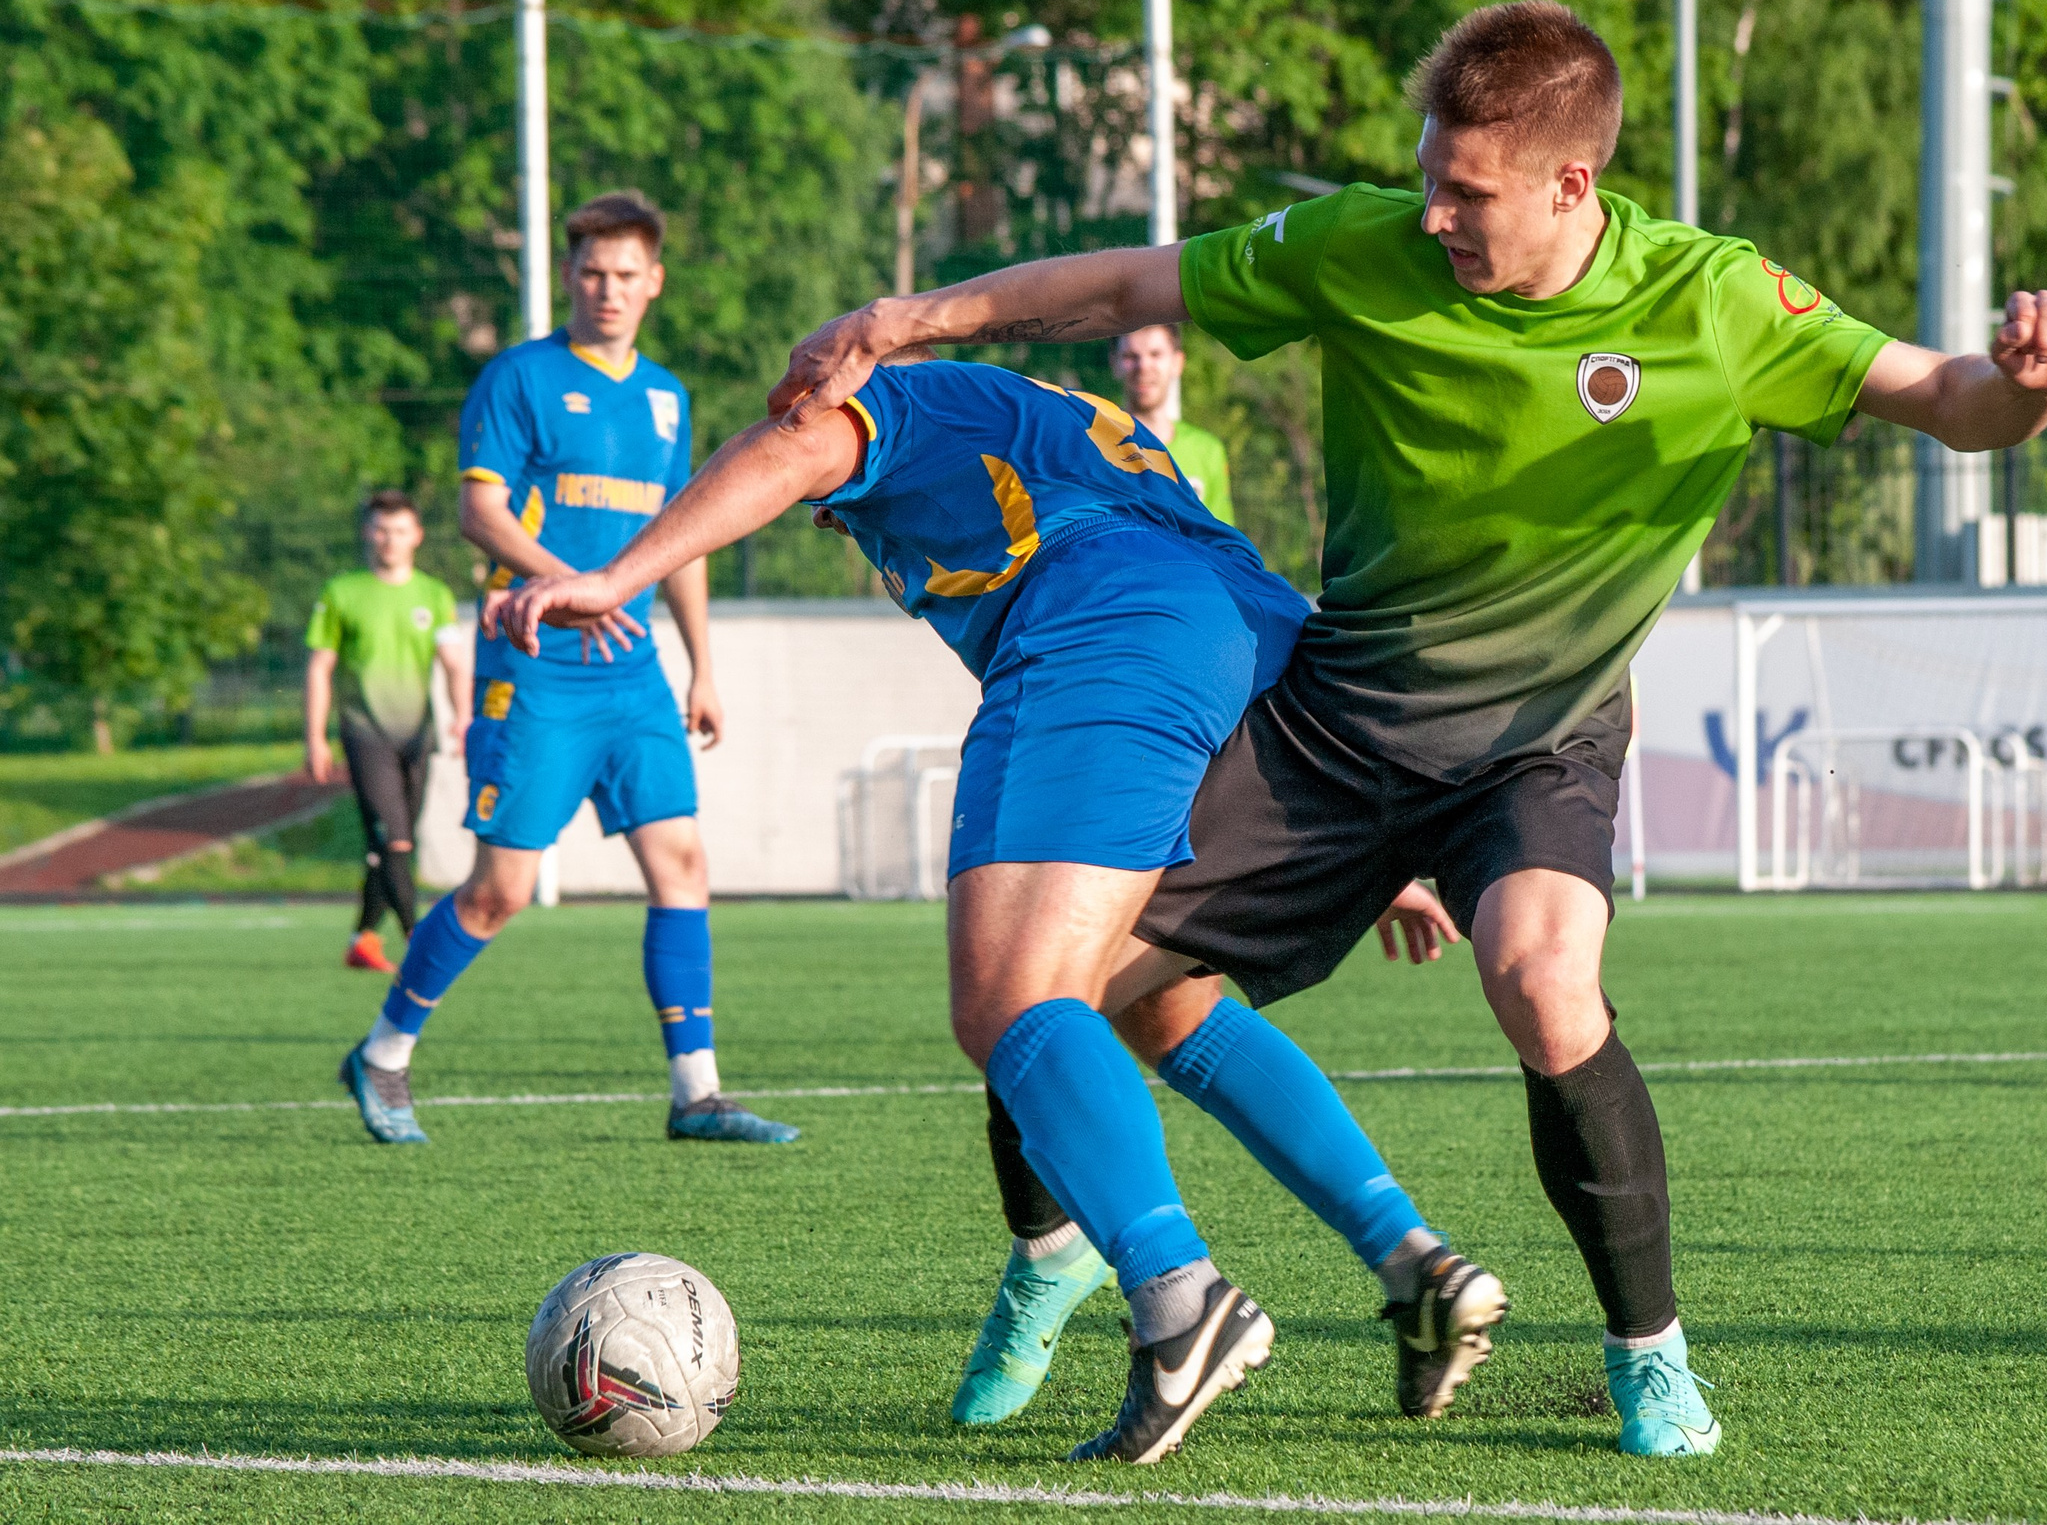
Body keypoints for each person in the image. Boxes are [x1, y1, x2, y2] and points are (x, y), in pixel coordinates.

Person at [766, 0, 2047, 1459]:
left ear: (1569, 187)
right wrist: (913, 318)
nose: (1435, 213)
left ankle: (1648, 1352)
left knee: (1542, 982)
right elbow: (1130, 285)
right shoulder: (1366, 249)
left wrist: (2026, 390)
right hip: (1338, 723)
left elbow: (1949, 396)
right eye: (1428, 176)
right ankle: (1053, 1256)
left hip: (1541, 742)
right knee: (1046, 988)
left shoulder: (1714, 304)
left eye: (1464, 191)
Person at [494, 354, 1509, 1463]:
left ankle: (1180, 1300)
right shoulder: (1058, 423)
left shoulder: (897, 401)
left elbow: (792, 447)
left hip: (1103, 625)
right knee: (1162, 1001)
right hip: (1250, 641)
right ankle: (1415, 1266)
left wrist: (617, 575)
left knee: (1008, 999)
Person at [337, 190, 797, 1148]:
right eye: (592, 272)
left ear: (655, 281)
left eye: (627, 274)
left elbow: (687, 538)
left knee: (681, 864)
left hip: (633, 671)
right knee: (499, 889)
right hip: (536, 664)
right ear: (569, 276)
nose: (609, 290)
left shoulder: (667, 396)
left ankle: (697, 1091)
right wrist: (578, 585)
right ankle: (383, 1053)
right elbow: (481, 514)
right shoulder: (521, 378)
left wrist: (702, 664)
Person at [303, 489, 472, 973]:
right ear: (367, 533)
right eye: (381, 529)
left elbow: (454, 664)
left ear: (416, 535)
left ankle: (362, 940)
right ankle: (421, 943)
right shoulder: (342, 592)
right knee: (395, 842)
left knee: (391, 846)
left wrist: (463, 715)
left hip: (417, 734)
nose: (389, 540)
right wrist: (314, 737)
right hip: (365, 732)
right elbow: (320, 668)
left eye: (399, 530)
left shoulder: (434, 595)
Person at [1111, 325, 1232, 522]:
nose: (1143, 366)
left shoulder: (1207, 451)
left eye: (1156, 354)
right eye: (1131, 356)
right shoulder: (1091, 447)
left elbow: (1221, 543)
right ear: (1114, 362)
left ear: (1177, 362)